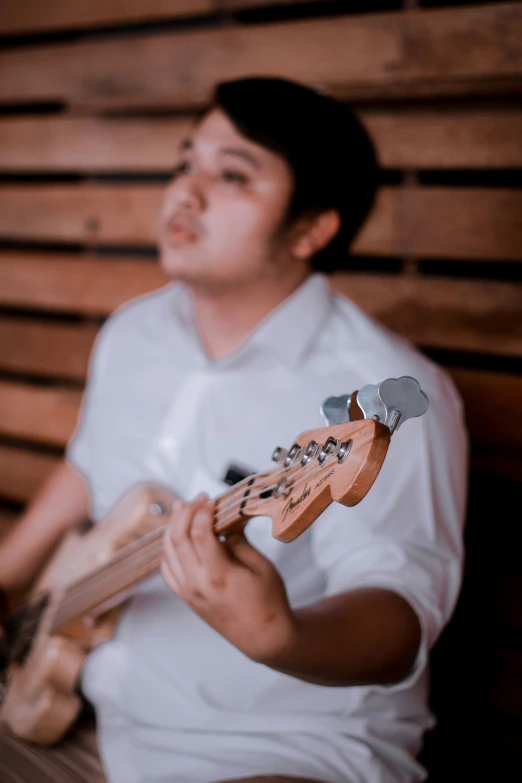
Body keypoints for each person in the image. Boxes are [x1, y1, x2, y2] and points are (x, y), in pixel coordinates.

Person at [0, 77, 468, 783]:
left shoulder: (383, 397)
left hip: (273, 751)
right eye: (187, 162)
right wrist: (7, 581)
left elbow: (399, 614)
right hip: (84, 712)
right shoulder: (134, 330)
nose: (186, 192)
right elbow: (90, 466)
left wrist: (282, 634)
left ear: (312, 229)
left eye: (232, 174)